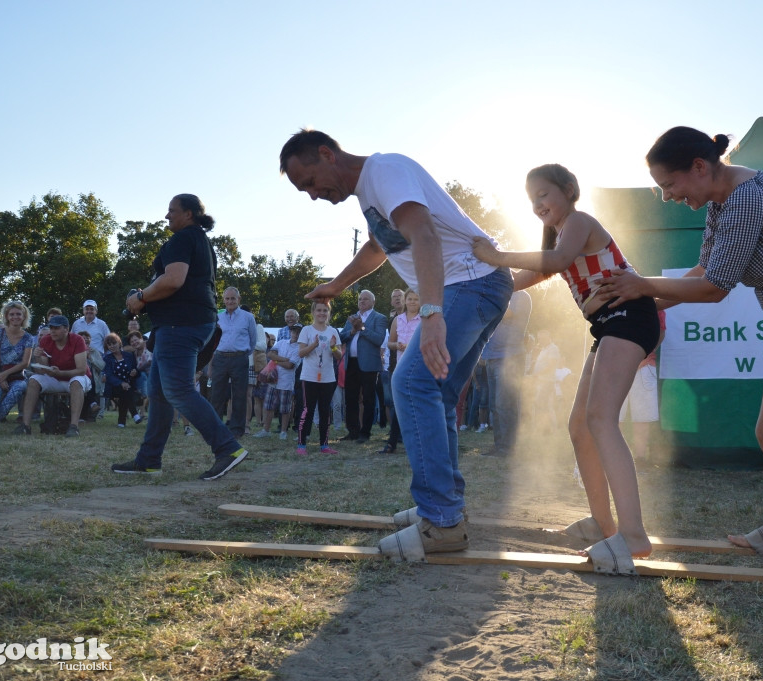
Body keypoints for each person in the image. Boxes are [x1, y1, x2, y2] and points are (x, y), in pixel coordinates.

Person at [598, 126, 763, 584]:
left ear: (700, 167)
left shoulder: (747, 196)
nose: (667, 197)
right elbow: (705, 269)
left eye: (670, 185)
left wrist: (642, 287)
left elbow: (714, 288)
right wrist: (640, 302)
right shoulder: (724, 201)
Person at [281, 129, 512, 558]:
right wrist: (335, 285)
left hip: (468, 283)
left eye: (309, 182)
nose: (313, 195)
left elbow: (424, 236)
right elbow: (378, 247)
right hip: (480, 285)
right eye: (304, 192)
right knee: (435, 394)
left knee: (409, 384)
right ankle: (447, 511)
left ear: (327, 154)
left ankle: (441, 520)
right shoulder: (372, 195)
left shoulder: (385, 170)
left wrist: (432, 312)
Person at [472, 163, 661, 573]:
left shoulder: (579, 221)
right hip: (610, 324)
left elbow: (555, 260)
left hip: (629, 317)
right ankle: (602, 522)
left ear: (569, 189)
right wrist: (491, 282)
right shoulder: (559, 234)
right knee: (580, 425)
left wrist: (496, 256)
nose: (537, 204)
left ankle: (633, 535)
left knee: (601, 419)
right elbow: (539, 271)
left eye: (543, 194)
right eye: (531, 199)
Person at [112, 194, 248, 480]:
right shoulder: (199, 241)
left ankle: (227, 448)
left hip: (180, 325)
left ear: (188, 213)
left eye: (171, 211)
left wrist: (140, 298)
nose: (166, 216)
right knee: (159, 393)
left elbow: (173, 280)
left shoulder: (183, 239)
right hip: (184, 324)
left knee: (178, 390)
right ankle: (148, 460)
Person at [14, 315, 89, 437]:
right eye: (51, 327)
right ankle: (25, 425)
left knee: (77, 382)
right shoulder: (45, 340)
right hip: (56, 377)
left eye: (56, 328)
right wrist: (38, 357)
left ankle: (73, 426)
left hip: (75, 377)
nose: (52, 331)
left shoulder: (77, 340)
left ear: (66, 329)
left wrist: (60, 373)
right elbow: (43, 370)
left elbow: (81, 370)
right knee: (33, 380)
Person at [478, 289, 532, 456]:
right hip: (492, 357)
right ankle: (499, 445)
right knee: (494, 404)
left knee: (505, 403)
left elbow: (505, 313)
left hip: (510, 357)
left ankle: (509, 447)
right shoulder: (499, 294)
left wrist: (486, 297)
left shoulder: (521, 295)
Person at [338, 289, 389, 443]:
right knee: (350, 398)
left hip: (369, 364)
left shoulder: (379, 318)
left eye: (365, 299)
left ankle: (365, 432)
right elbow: (341, 337)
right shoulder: (352, 318)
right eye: (360, 299)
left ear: (373, 302)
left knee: (368, 399)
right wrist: (353, 330)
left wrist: (363, 328)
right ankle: (353, 431)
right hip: (351, 362)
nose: (362, 302)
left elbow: (379, 339)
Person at [0, 301, 35, 435]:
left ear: (24, 316)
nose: (15, 317)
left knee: (18, 389)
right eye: (12, 314)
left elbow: (25, 363)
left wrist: (5, 375)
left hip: (16, 375)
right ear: (6, 316)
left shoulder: (28, 338)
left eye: (18, 314)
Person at [208, 287, 257, 438]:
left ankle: (237, 430)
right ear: (223, 300)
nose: (230, 301)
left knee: (240, 395)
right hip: (220, 357)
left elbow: (253, 340)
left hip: (239, 358)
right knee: (217, 395)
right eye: (227, 299)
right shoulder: (217, 316)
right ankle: (215, 429)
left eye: (233, 298)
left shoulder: (248, 317)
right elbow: (212, 339)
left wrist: (242, 354)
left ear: (238, 299)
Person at [619, 309, 666, 464]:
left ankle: (639, 458)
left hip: (645, 366)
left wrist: (645, 353)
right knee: (614, 416)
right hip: (617, 364)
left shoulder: (655, 302)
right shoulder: (616, 295)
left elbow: (661, 332)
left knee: (642, 417)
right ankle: (616, 455)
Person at [296, 302, 342, 455]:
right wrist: (313, 345)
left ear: (329, 313)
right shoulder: (306, 330)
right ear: (313, 312)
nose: (322, 313)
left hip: (328, 377)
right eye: (319, 310)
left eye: (325, 310)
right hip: (309, 376)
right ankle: (301, 445)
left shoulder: (333, 331)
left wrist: (334, 347)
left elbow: (339, 356)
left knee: (324, 411)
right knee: (307, 410)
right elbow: (301, 353)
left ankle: (324, 445)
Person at [381, 289, 420, 453]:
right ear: (405, 301)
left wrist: (413, 347)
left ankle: (417, 443)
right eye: (409, 299)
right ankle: (392, 443)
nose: (412, 302)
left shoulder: (424, 320)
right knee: (398, 405)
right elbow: (389, 343)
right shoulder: (397, 320)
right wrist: (396, 345)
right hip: (400, 367)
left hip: (418, 367)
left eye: (416, 299)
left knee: (417, 405)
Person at [260, 323, 301, 440]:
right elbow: (270, 354)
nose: (296, 334)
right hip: (273, 379)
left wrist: (277, 361)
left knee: (285, 408)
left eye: (298, 332)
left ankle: (283, 431)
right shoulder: (282, 342)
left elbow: (290, 365)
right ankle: (265, 430)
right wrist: (283, 359)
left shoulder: (300, 348)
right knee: (268, 406)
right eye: (294, 331)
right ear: (290, 332)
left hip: (286, 381)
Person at [71, 299, 111, 407]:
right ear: (83, 311)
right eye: (87, 309)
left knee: (94, 378)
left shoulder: (102, 324)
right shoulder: (76, 324)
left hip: (97, 358)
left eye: (91, 309)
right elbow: (70, 341)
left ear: (96, 311)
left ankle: (95, 407)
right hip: (79, 357)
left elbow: (108, 341)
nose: (89, 311)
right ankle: (89, 405)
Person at [102, 332, 142, 428]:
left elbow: (137, 370)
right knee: (125, 390)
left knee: (126, 391)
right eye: (109, 344)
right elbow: (109, 376)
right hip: (113, 387)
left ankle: (121, 422)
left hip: (129, 385)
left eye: (114, 343)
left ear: (119, 343)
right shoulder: (107, 358)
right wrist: (121, 383)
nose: (112, 346)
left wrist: (135, 371)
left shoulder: (129, 355)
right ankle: (134, 413)